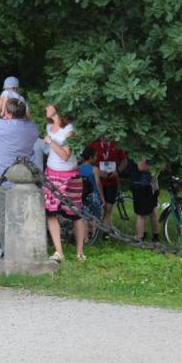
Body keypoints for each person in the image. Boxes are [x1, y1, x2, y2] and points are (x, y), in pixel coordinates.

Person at [0, 96, 40, 256]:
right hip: (25, 181)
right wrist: (21, 111)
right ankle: (26, 253)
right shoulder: (32, 128)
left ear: (7, 114)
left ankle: (10, 254)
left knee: (5, 220)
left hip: (5, 181)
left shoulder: (2, 126)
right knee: (24, 219)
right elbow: (28, 120)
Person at [42, 104, 84, 261]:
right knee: (51, 212)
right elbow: (50, 152)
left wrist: (50, 142)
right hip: (51, 173)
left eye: (49, 105)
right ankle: (59, 252)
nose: (46, 108)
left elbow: (66, 156)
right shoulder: (48, 127)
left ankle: (80, 252)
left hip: (69, 175)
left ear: (57, 109)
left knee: (75, 213)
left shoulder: (69, 129)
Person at [86, 134, 128, 229]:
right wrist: (97, 172)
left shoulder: (116, 144)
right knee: (96, 208)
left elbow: (124, 161)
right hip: (96, 182)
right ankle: (95, 231)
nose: (105, 137)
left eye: (107, 135)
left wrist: (118, 171)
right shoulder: (93, 145)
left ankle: (104, 233)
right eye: (102, 135)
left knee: (108, 209)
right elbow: (86, 161)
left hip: (112, 182)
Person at [123, 157, 160, 241]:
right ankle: (147, 235)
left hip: (144, 185)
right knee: (148, 212)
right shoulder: (152, 153)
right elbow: (142, 167)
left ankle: (141, 238)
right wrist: (157, 167)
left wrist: (157, 168)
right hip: (146, 184)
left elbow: (141, 167)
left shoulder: (142, 152)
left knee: (143, 214)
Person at [78, 147, 105, 235]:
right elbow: (98, 184)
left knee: (84, 216)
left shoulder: (78, 168)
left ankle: (85, 237)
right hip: (94, 195)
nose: (96, 158)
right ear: (90, 157)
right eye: (95, 156)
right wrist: (102, 198)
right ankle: (94, 235)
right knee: (95, 216)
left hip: (82, 195)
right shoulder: (94, 169)